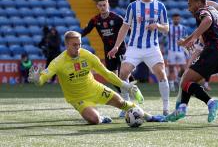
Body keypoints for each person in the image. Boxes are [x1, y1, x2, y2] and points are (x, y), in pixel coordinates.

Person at [28, 31, 165, 124]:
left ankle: (149, 117)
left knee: (123, 104)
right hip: (78, 98)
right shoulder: (58, 62)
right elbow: (43, 79)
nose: (78, 47)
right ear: (66, 45)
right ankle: (100, 118)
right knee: (94, 120)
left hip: (96, 89)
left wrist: (126, 86)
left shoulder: (87, 55)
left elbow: (106, 73)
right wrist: (37, 80)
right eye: (74, 45)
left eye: (79, 44)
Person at [108, 0, 170, 116]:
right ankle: (126, 105)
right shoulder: (133, 6)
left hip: (152, 47)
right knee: (123, 73)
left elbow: (166, 28)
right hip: (134, 47)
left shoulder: (160, 6)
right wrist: (116, 46)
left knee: (162, 74)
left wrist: (157, 26)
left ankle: (166, 108)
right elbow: (125, 27)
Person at [81, 0, 134, 117]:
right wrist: (75, 37)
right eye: (100, 5)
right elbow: (86, 31)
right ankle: (128, 94)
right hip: (108, 52)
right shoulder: (95, 20)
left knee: (122, 76)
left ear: (108, 5)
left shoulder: (116, 18)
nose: (102, 7)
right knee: (112, 78)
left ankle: (127, 105)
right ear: (97, 7)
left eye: (104, 5)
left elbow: (129, 31)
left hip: (120, 50)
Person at [167, 13, 188, 92]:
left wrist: (185, 45)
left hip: (180, 51)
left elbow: (186, 38)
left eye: (177, 19)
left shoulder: (183, 28)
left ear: (179, 19)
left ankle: (177, 80)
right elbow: (163, 37)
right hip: (171, 50)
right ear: (172, 19)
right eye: (175, 19)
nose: (176, 20)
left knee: (183, 69)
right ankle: (171, 85)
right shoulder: (169, 27)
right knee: (171, 69)